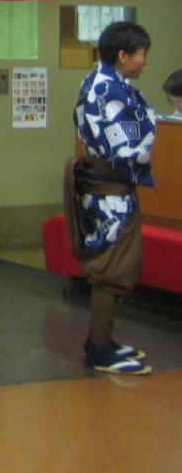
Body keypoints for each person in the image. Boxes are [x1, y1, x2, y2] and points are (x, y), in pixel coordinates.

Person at [66, 21, 156, 376]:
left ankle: (99, 340)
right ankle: (100, 350)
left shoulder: (97, 81)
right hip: (110, 190)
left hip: (105, 187)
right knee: (112, 268)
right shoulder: (109, 90)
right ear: (122, 55)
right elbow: (130, 146)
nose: (145, 60)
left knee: (114, 262)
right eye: (141, 54)